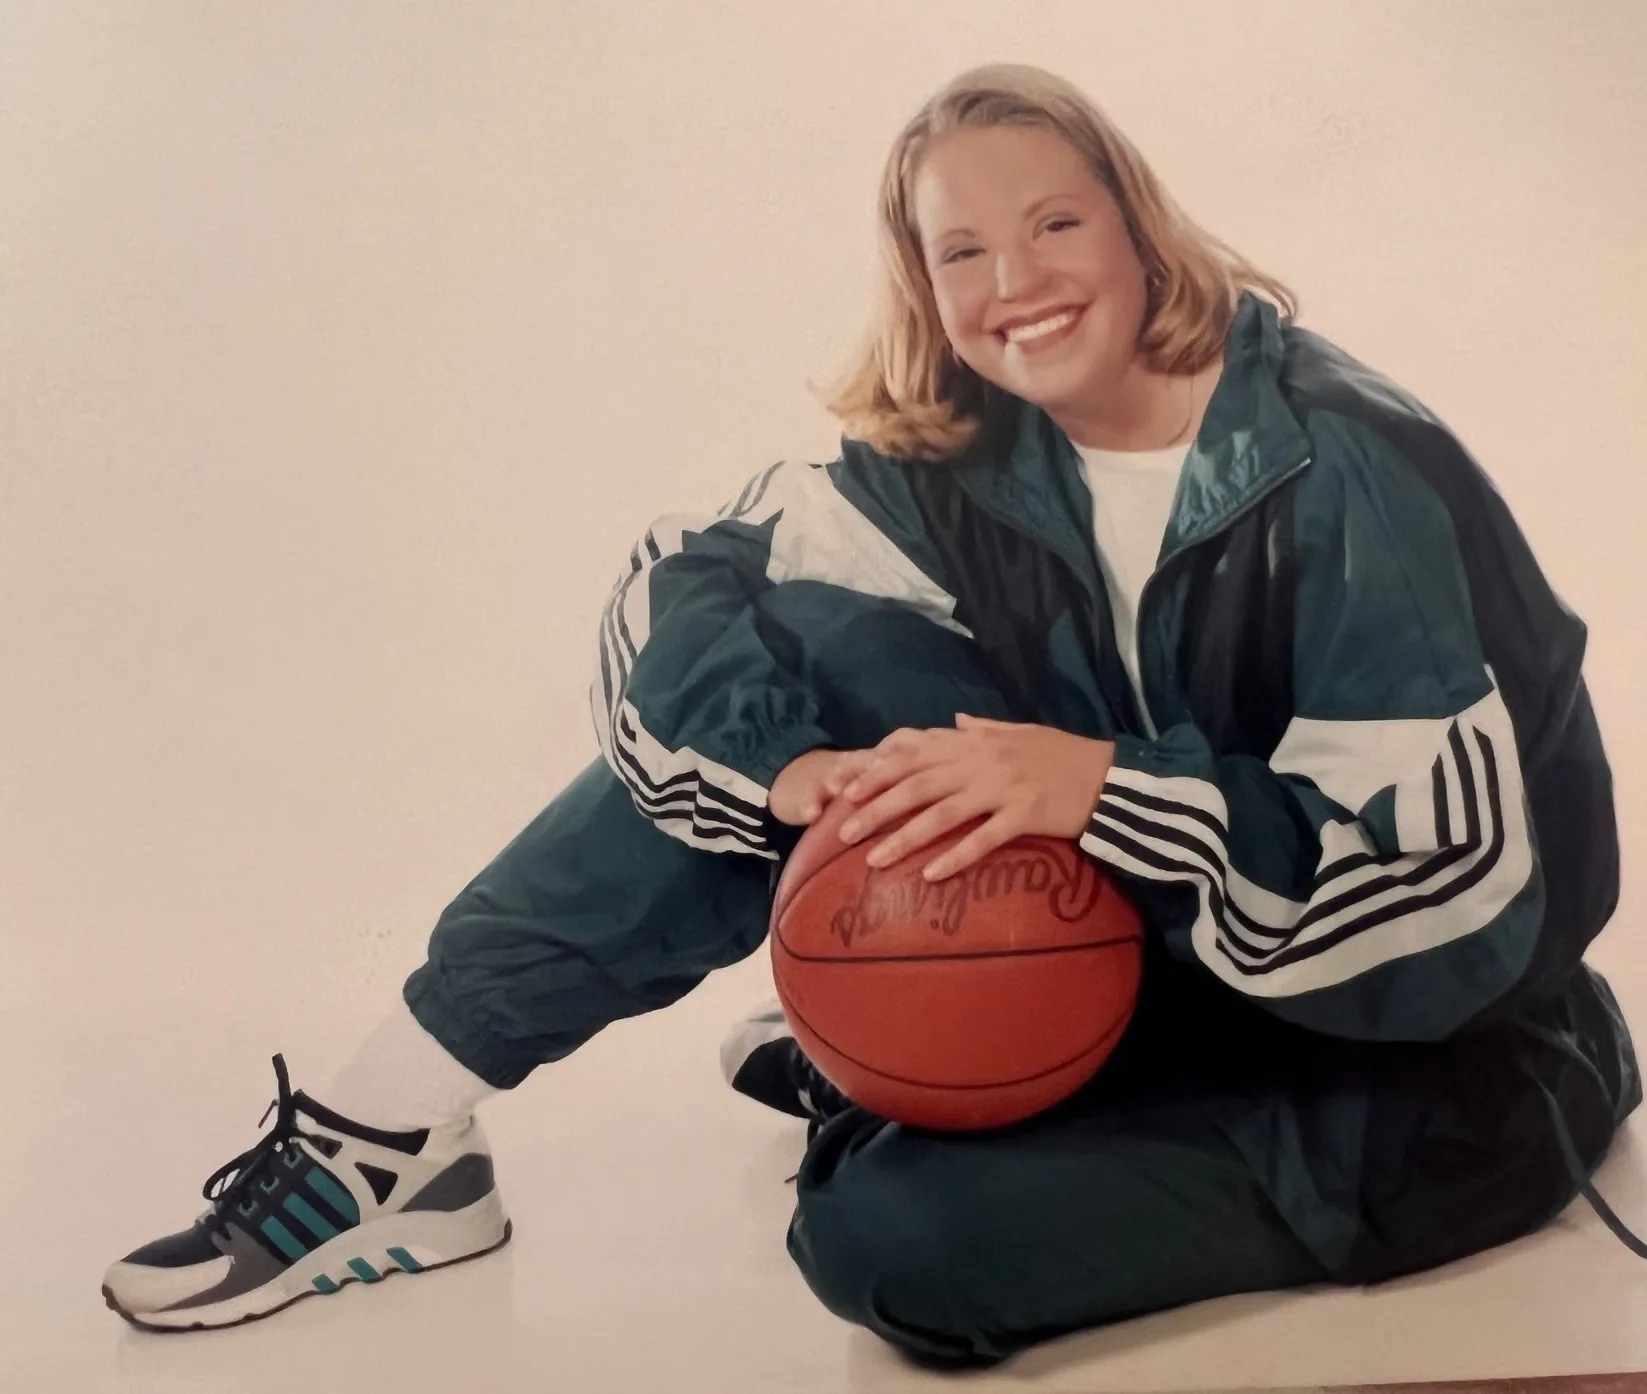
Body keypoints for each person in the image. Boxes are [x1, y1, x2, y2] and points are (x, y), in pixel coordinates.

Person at [102, 63, 1640, 1368]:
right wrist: (796, 778)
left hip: (1430, 1064)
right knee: (784, 677)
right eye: (961, 251)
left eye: (1052, 224)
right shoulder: (967, 453)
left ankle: (903, 1053)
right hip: (1175, 952)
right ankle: (389, 1135)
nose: (1014, 284)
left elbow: (1449, 897)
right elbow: (677, 597)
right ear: (922, 282)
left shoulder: (1342, 463)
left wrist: (1088, 791)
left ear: (1135, 221)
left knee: (886, 1247)